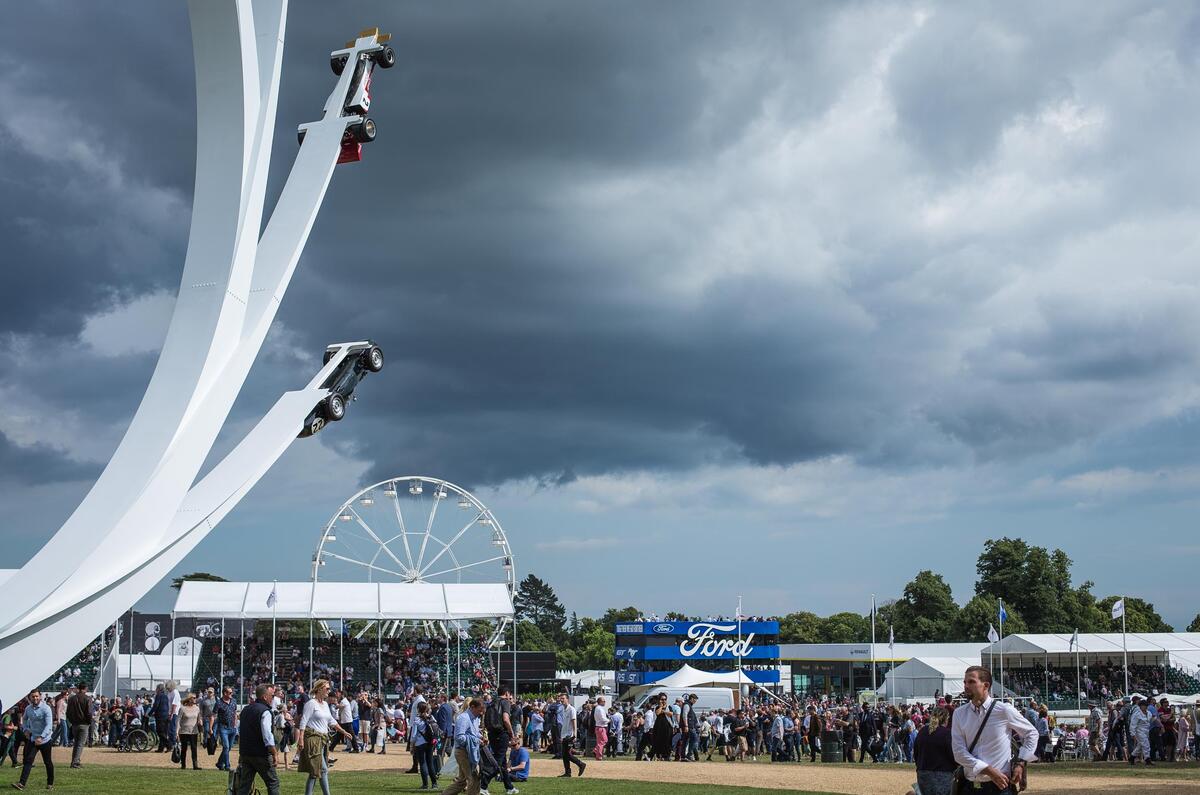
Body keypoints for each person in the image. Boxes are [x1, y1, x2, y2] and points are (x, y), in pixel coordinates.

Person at [951, 666, 1037, 793]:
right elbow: (958, 753)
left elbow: (1032, 733)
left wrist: (1021, 763)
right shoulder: (959, 714)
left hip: (1000, 787)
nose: (966, 686)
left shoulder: (1004, 710)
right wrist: (989, 771)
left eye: (971, 682)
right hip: (970, 787)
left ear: (986, 685)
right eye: (965, 682)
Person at [297, 679, 351, 795]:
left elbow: (331, 721)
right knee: (323, 769)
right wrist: (300, 739)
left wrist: (343, 731)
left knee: (315, 772)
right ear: (319, 689)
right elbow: (303, 721)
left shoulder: (325, 704)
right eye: (327, 688)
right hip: (312, 739)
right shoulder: (311, 703)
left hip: (322, 740)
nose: (329, 691)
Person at [235, 683, 281, 795]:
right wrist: (274, 753)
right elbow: (267, 735)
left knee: (244, 785)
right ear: (265, 697)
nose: (273, 698)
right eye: (272, 695)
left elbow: (242, 732)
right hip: (261, 754)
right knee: (273, 782)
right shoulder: (265, 711)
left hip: (246, 753)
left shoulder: (245, 710)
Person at [13, 690, 54, 791]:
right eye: (33, 697)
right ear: (30, 698)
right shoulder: (28, 709)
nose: (35, 698)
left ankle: (50, 784)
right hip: (33, 739)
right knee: (28, 760)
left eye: (36, 696)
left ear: (40, 696)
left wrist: (41, 737)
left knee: (47, 762)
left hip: (45, 740)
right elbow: (25, 719)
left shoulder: (46, 708)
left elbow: (49, 725)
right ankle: (21, 783)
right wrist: (26, 729)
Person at [442, 697, 484, 795]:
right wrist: (476, 741)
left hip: (468, 751)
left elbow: (473, 733)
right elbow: (459, 737)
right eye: (479, 710)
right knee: (474, 778)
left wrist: (481, 737)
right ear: (472, 707)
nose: (481, 713)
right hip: (463, 752)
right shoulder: (464, 718)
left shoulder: (473, 718)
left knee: (461, 781)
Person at [912, 707, 955, 795]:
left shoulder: (922, 731)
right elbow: (953, 756)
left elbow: (916, 752)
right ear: (945, 719)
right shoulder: (947, 733)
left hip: (923, 773)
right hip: (943, 774)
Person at [485, 687, 520, 795]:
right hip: (501, 733)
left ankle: (509, 787)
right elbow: (505, 719)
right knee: (498, 762)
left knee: (503, 762)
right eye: (509, 694)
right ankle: (483, 784)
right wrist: (511, 733)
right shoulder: (505, 702)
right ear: (506, 693)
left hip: (492, 733)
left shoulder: (491, 702)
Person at [556, 693, 586, 777]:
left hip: (570, 735)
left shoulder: (571, 709)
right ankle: (567, 772)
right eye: (560, 698)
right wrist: (562, 736)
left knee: (567, 754)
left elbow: (574, 722)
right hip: (565, 735)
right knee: (564, 754)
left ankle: (581, 764)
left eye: (563, 698)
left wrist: (574, 735)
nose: (561, 700)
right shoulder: (564, 709)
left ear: (567, 699)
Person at [411, 701, 439, 790]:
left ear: (418, 709)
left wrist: (412, 745)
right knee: (430, 763)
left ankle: (425, 784)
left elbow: (414, 735)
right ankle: (434, 783)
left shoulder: (417, 719)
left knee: (423, 763)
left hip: (420, 743)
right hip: (430, 742)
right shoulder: (431, 717)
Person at [65, 682, 91, 769]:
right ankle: (75, 762)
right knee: (80, 744)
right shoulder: (87, 698)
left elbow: (68, 712)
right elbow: (89, 713)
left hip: (75, 724)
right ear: (85, 688)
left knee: (76, 743)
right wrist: (89, 722)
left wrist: (72, 721)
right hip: (84, 724)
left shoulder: (72, 698)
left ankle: (75, 761)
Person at [214, 686, 239, 771]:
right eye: (230, 692)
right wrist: (212, 727)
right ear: (225, 693)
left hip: (232, 727)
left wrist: (235, 724)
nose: (232, 694)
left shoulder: (234, 701)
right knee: (226, 747)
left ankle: (219, 763)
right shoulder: (218, 703)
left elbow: (235, 713)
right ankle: (227, 765)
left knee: (228, 748)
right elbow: (214, 715)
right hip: (223, 728)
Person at [178, 694, 201, 770]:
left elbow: (199, 718)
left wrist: (200, 722)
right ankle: (183, 765)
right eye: (194, 698)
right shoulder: (182, 708)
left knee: (194, 748)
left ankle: (195, 765)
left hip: (193, 732)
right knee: (184, 749)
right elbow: (178, 721)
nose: (195, 699)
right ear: (189, 699)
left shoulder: (197, 708)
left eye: (195, 698)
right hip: (184, 731)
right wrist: (176, 732)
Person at [1128, 698, 1153, 765]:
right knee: (1146, 744)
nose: (1145, 707)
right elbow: (1133, 724)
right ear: (1140, 706)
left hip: (1146, 731)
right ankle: (1147, 759)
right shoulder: (1137, 714)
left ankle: (1132, 757)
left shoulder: (1149, 713)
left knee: (1140, 746)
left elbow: (1150, 721)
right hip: (1139, 731)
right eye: (1144, 705)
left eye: (1146, 705)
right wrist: (1132, 733)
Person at [592, 696, 609, 762]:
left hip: (598, 727)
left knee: (600, 742)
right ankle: (597, 752)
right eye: (603, 701)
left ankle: (598, 755)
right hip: (601, 727)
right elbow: (602, 718)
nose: (605, 702)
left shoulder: (597, 708)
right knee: (604, 741)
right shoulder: (600, 709)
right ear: (600, 702)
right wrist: (608, 720)